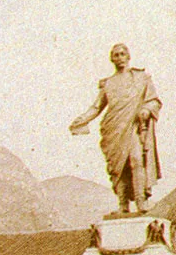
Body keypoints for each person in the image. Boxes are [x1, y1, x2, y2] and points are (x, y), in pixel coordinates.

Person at [69, 43, 162, 214]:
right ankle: (122, 204)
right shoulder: (108, 84)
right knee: (119, 167)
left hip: (133, 125)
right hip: (113, 129)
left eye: (122, 54)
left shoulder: (141, 78)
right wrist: (82, 119)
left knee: (136, 159)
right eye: (116, 55)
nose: (119, 58)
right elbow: (97, 107)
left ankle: (141, 202)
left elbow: (154, 100)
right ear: (112, 59)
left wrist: (146, 109)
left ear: (128, 56)